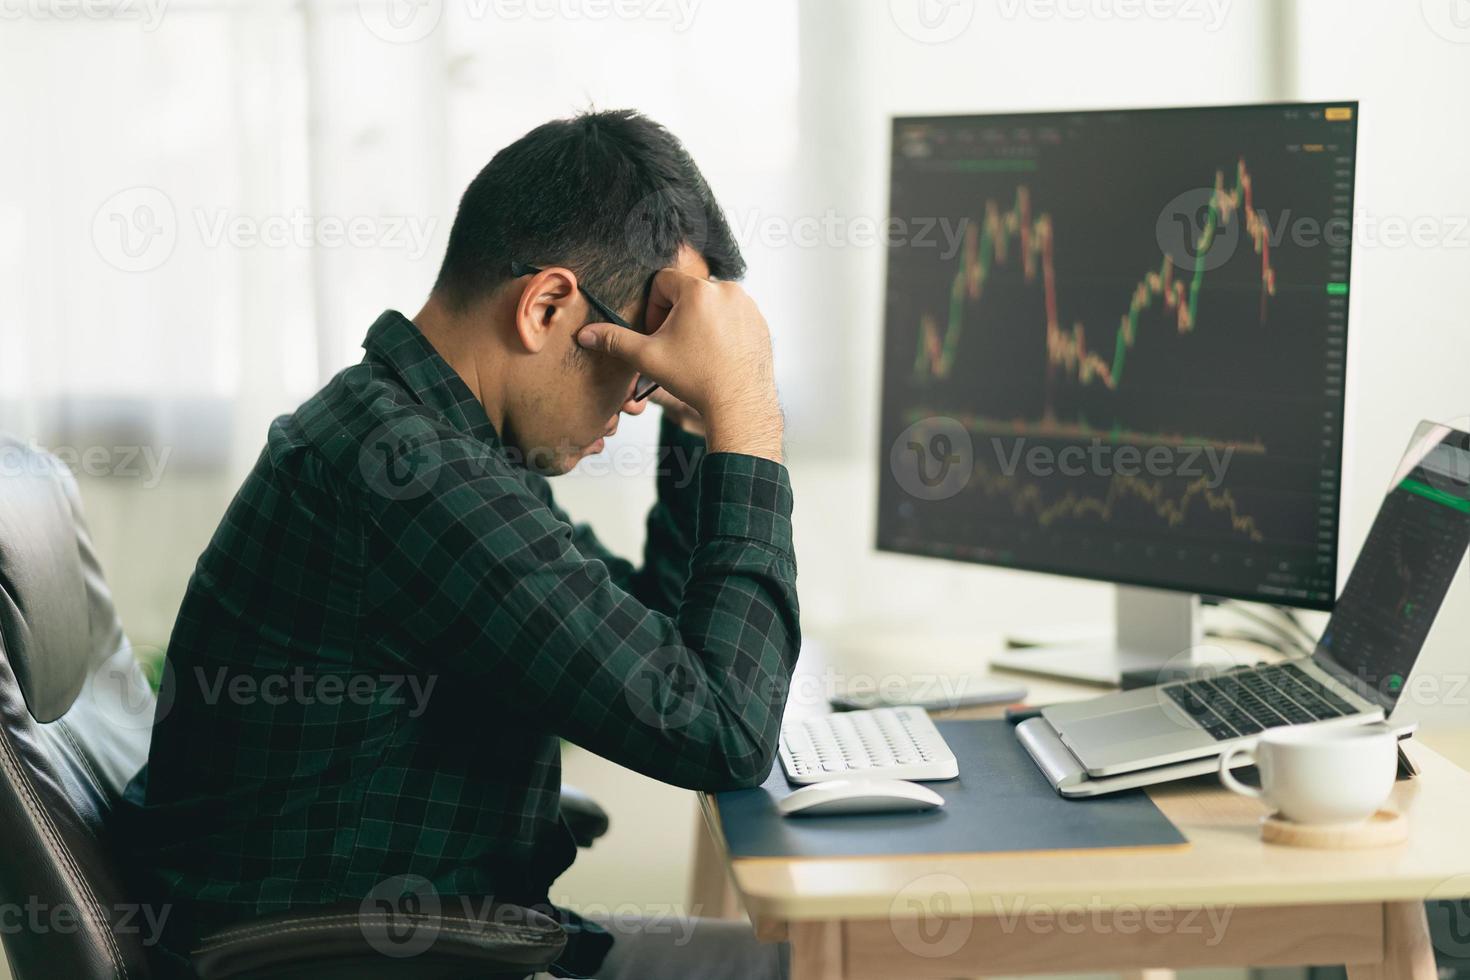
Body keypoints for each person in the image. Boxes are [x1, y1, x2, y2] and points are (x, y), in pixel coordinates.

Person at [123, 109, 797, 979]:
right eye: (639, 361)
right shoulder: (413, 477)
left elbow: (661, 632)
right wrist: (750, 419)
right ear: (547, 304)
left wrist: (705, 424)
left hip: (409, 945)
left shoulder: (425, 439)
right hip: (362, 964)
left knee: (813, 960)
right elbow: (725, 731)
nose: (638, 397)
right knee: (831, 966)